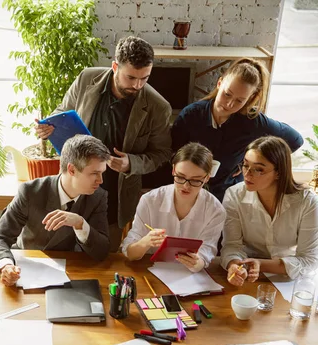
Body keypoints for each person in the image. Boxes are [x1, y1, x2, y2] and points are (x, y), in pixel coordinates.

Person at [36, 36, 172, 252]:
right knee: (60, 252)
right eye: (131, 78)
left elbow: (162, 153)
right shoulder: (86, 78)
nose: (137, 85)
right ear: (115, 66)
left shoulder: (158, 107)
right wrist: (47, 128)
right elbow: (61, 112)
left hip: (114, 199)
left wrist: (131, 164)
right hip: (72, 186)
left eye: (144, 78)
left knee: (101, 257)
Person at [169, 58, 303, 202]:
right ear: (219, 83)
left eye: (240, 100)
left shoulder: (253, 122)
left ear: (250, 98)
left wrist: (248, 163)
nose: (230, 103)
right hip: (189, 189)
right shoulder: (191, 115)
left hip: (227, 196)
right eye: (227, 94)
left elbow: (295, 140)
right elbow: (173, 153)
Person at [0, 135, 111, 287]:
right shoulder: (30, 192)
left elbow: (102, 252)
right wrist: (5, 265)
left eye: (101, 173)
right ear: (71, 169)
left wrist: (80, 224)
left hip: (70, 274)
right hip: (25, 270)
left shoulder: (97, 197)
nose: (101, 180)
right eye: (94, 173)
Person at [221, 136, 318, 286]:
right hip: (246, 275)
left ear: (279, 172)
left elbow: (309, 260)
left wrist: (259, 264)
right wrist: (234, 265)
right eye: (245, 165)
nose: (247, 174)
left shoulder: (307, 201)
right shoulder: (234, 195)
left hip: (288, 277)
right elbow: (232, 245)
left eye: (259, 169)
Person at [122, 143, 225, 272]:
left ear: (207, 178)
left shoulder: (215, 210)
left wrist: (197, 262)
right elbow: (130, 253)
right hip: (151, 271)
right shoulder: (150, 200)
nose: (186, 186)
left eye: (195, 180)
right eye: (180, 177)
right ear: (173, 170)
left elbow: (207, 252)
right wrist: (145, 242)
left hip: (189, 277)